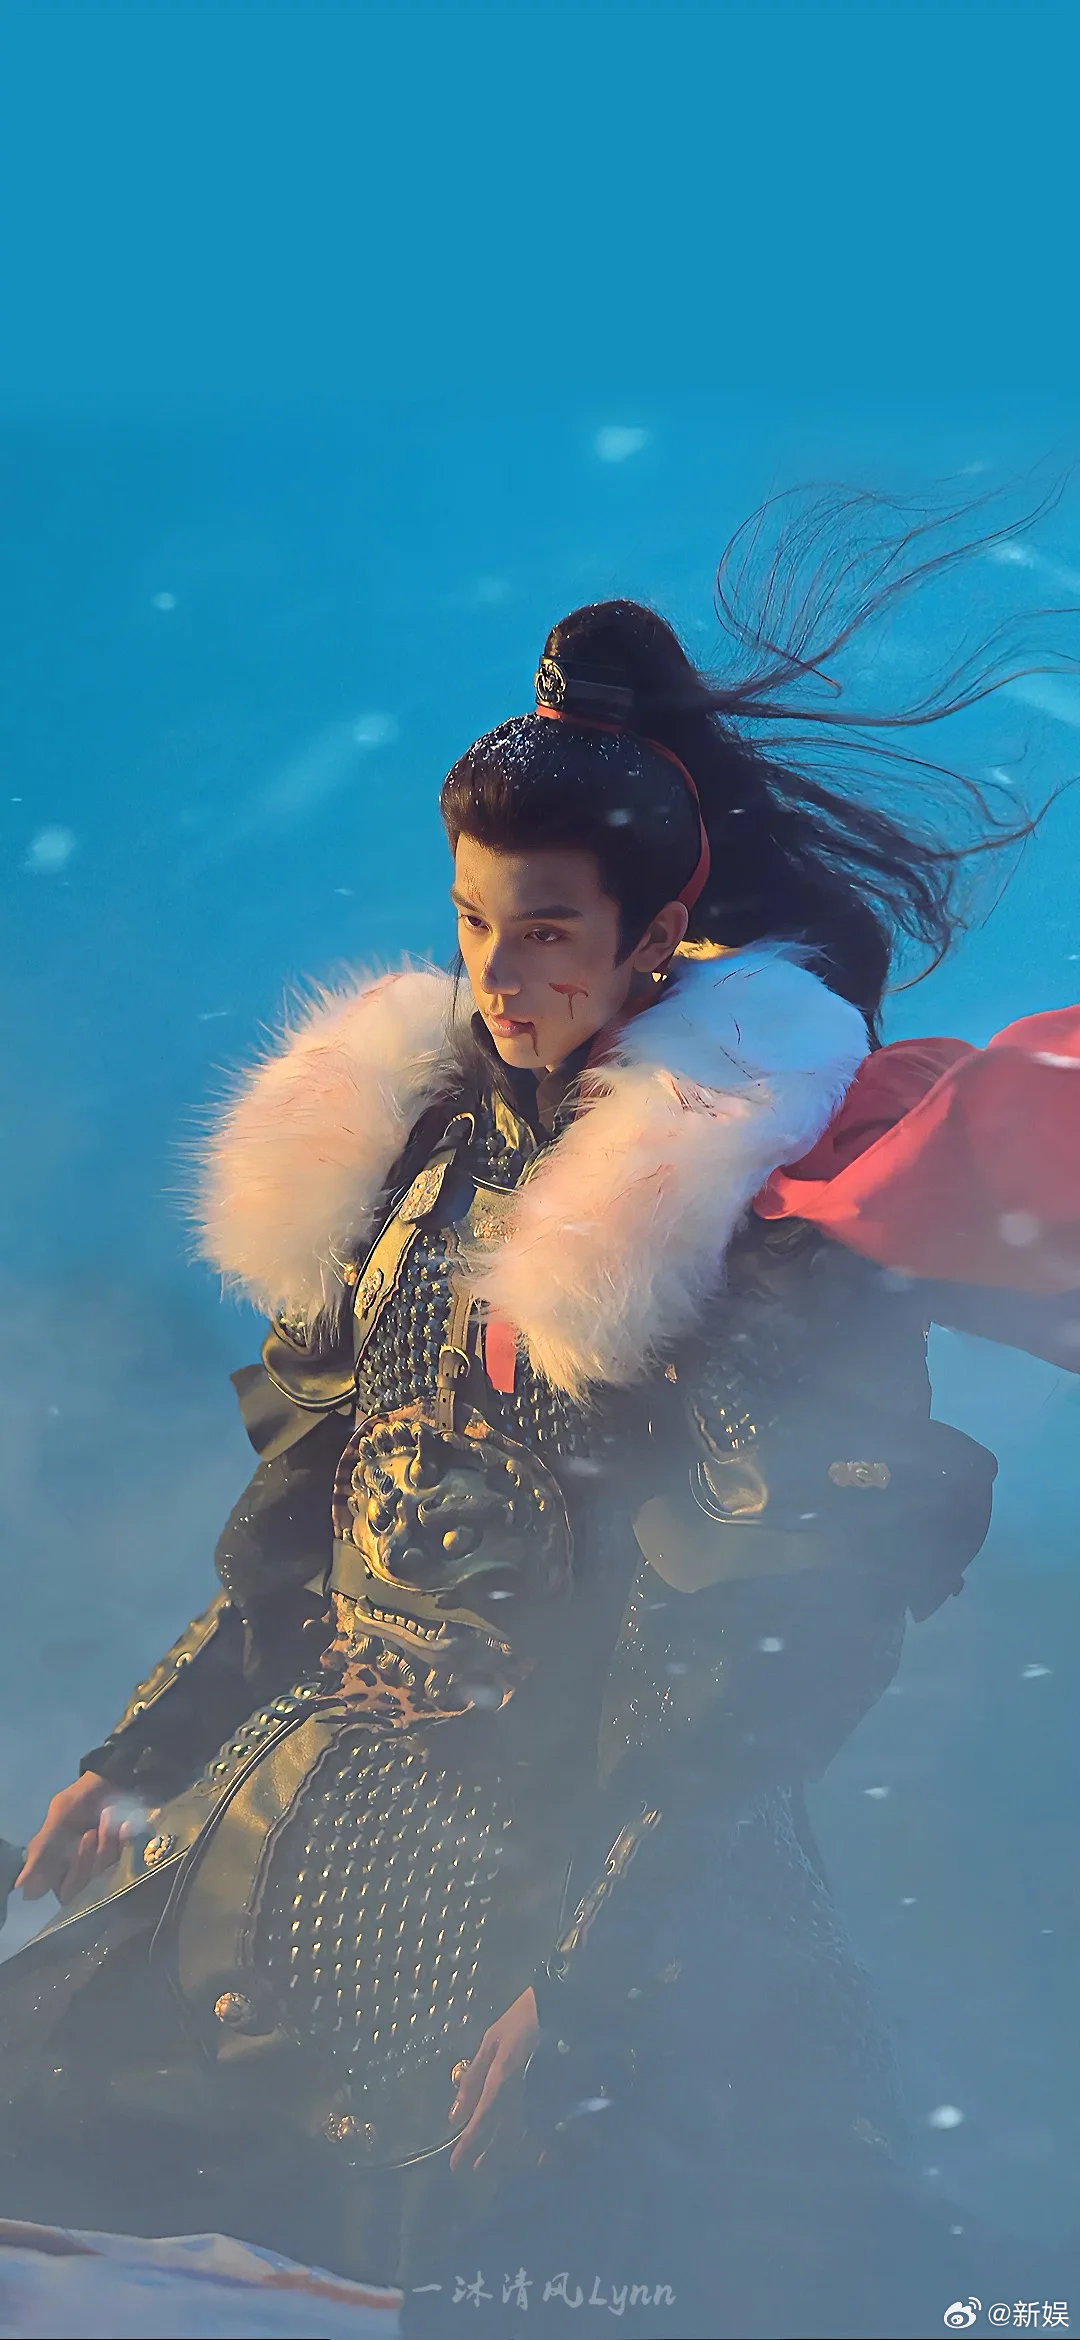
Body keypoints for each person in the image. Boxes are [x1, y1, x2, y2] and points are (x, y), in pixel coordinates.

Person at [3, 511, 1078, 2340]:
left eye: (550, 936)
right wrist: (147, 1752)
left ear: (659, 939)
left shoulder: (733, 1229)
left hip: (610, 1861)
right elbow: (321, 1504)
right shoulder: (418, 1162)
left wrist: (581, 1979)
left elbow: (757, 1642)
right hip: (306, 1823)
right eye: (474, 928)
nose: (502, 980)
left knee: (603, 2277)